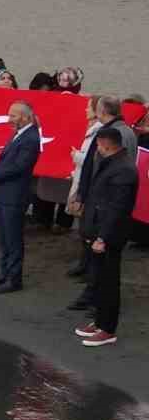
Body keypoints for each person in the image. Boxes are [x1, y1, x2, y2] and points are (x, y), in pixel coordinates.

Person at [65, 95, 139, 308]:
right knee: (96, 252)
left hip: (104, 204)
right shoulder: (119, 130)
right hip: (100, 200)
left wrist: (87, 195)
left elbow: (108, 168)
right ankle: (94, 293)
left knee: (103, 256)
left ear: (102, 110)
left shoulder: (117, 134)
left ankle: (96, 299)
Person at [75, 129, 138, 346]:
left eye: (98, 146)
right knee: (98, 279)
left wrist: (103, 237)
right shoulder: (114, 163)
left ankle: (108, 329)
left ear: (106, 144)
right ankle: (100, 321)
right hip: (98, 230)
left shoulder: (124, 170)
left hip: (109, 235)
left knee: (109, 282)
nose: (97, 150)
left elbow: (117, 209)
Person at [0, 102, 41, 293]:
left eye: (13, 116)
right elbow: (8, 159)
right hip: (5, 193)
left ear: (25, 117)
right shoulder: (20, 133)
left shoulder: (30, 138)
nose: (9, 120)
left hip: (15, 195)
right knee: (4, 237)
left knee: (13, 238)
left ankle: (14, 279)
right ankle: (5, 273)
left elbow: (20, 167)